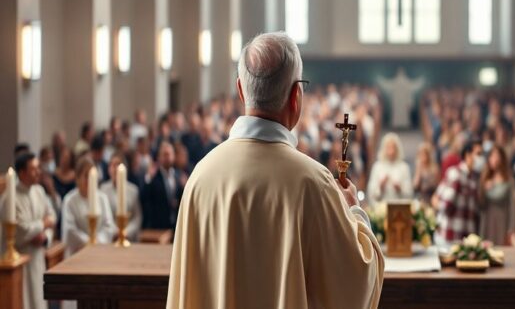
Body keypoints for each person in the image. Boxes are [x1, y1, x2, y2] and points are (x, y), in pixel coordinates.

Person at [168, 32, 384, 309]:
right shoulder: (313, 183)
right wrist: (353, 210)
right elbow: (357, 287)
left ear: (241, 90)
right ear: (297, 96)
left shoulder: (201, 177)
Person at [13, 152, 57, 309]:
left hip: (38, 257)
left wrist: (46, 238)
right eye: (34, 169)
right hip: (22, 262)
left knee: (39, 302)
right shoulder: (12, 197)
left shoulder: (39, 190)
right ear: (22, 172)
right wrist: (42, 224)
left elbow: (51, 217)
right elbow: (22, 230)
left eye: (38, 168)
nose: (38, 172)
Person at [61, 157, 117, 257]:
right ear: (77, 178)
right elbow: (70, 229)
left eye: (92, 176)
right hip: (77, 253)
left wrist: (97, 241)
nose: (89, 180)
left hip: (100, 252)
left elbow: (109, 226)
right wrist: (89, 242)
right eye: (86, 176)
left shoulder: (102, 198)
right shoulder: (69, 200)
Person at [433, 140, 483, 243]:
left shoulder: (474, 178)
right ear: (468, 155)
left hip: (466, 236)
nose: (480, 159)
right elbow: (444, 204)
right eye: (478, 154)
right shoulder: (456, 174)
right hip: (450, 235)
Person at [141, 141, 185, 230]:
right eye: (165, 154)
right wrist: (148, 178)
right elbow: (144, 198)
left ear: (173, 156)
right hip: (159, 226)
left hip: (176, 226)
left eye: (169, 154)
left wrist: (185, 187)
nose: (168, 157)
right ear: (159, 157)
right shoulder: (153, 177)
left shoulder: (179, 176)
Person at [100, 155, 142, 241]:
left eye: (117, 164)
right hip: (111, 237)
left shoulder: (133, 190)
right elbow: (104, 217)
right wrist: (116, 232)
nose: (114, 168)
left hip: (129, 237)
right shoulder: (103, 189)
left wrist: (126, 232)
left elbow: (137, 217)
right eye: (111, 165)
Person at [478, 145, 514, 245]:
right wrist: (484, 189)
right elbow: (481, 203)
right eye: (491, 156)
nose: (494, 159)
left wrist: (511, 228)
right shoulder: (485, 177)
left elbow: (512, 206)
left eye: (496, 156)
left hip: (502, 220)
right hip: (487, 219)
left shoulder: (508, 179)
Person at [367, 132, 413, 205]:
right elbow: (371, 193)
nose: (391, 151)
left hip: (399, 208)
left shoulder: (404, 167)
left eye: (393, 147)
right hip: (381, 208)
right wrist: (380, 187)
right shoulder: (377, 167)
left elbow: (409, 193)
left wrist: (400, 189)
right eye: (388, 147)